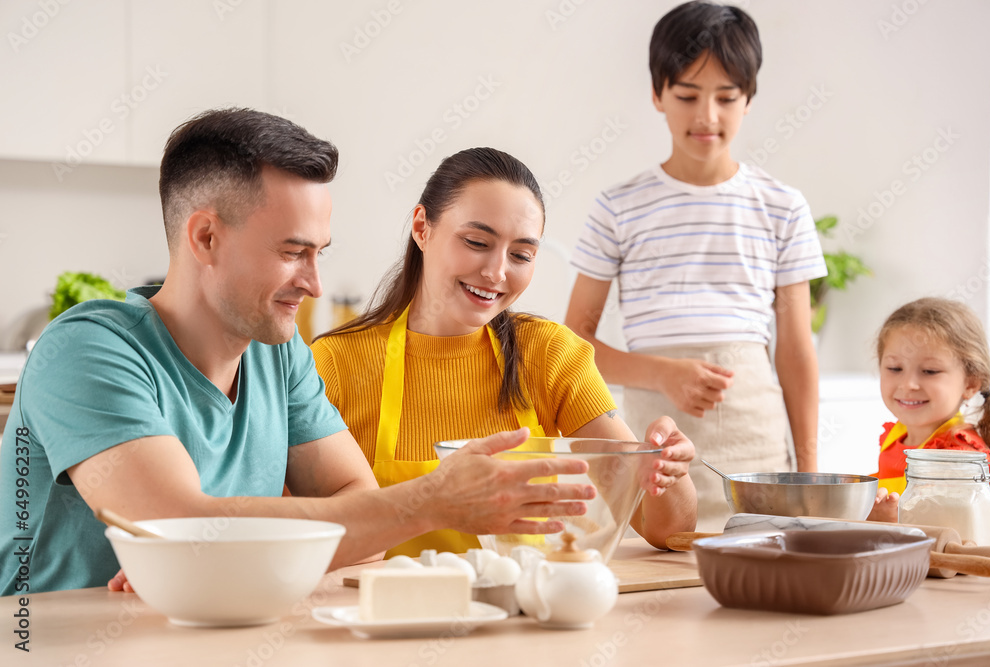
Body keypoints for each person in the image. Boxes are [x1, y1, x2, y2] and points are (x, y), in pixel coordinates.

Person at [0, 109, 599, 596]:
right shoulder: (87, 349)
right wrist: (433, 499)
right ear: (205, 237)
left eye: (320, 253)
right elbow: (176, 529)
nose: (314, 283)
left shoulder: (277, 354)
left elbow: (363, 514)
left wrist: (219, 550)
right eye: (292, 252)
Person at [311, 147, 698, 557]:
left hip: (521, 615)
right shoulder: (332, 364)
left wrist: (666, 469)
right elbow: (299, 535)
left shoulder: (551, 355)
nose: (497, 272)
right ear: (422, 228)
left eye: (521, 255)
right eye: (477, 241)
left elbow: (668, 531)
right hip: (388, 615)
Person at [563, 1, 827, 531]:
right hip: (652, 430)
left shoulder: (783, 206)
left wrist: (809, 471)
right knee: (657, 569)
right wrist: (663, 374)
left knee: (759, 573)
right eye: (687, 95)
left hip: (754, 432)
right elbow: (574, 344)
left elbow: (796, 349)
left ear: (748, 99)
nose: (707, 117)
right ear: (658, 95)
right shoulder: (618, 206)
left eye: (726, 97)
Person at [867, 297, 990, 522]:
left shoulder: (959, 457)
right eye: (895, 368)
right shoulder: (897, 435)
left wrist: (892, 520)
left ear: (970, 383)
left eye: (929, 371)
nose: (908, 384)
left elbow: (954, 534)